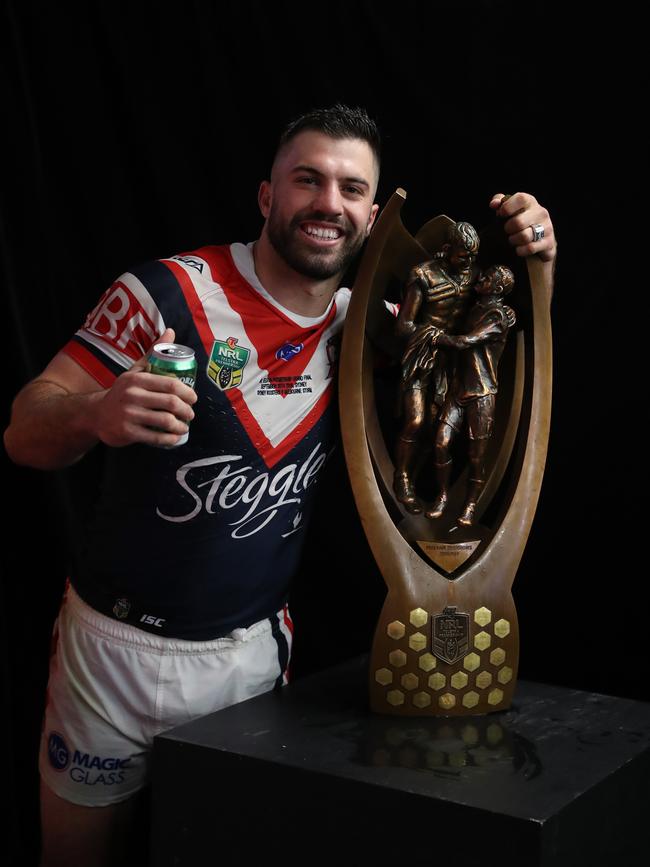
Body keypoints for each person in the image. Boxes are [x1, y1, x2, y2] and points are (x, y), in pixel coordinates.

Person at [3, 104, 557, 867]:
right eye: (308, 179)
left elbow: (501, 341)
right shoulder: (165, 292)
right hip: (112, 648)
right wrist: (98, 411)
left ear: (370, 215)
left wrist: (538, 260)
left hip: (249, 657)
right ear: (268, 196)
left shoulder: (367, 322)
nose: (329, 201)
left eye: (351, 188)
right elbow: (24, 431)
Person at [393, 221, 481, 512]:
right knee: (416, 420)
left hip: (450, 364)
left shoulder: (474, 277)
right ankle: (401, 476)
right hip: (421, 357)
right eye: (463, 256)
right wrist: (438, 336)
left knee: (435, 427)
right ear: (448, 250)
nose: (468, 262)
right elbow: (404, 325)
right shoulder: (424, 275)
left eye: (473, 257)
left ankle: (415, 481)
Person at [427, 264, 517, 525]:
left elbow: (465, 341)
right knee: (441, 443)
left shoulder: (499, 315)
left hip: (482, 392)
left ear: (497, 289)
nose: (481, 278)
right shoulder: (474, 306)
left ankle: (470, 505)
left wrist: (434, 337)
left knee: (476, 456)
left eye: (487, 278)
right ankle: (442, 497)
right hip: (458, 390)